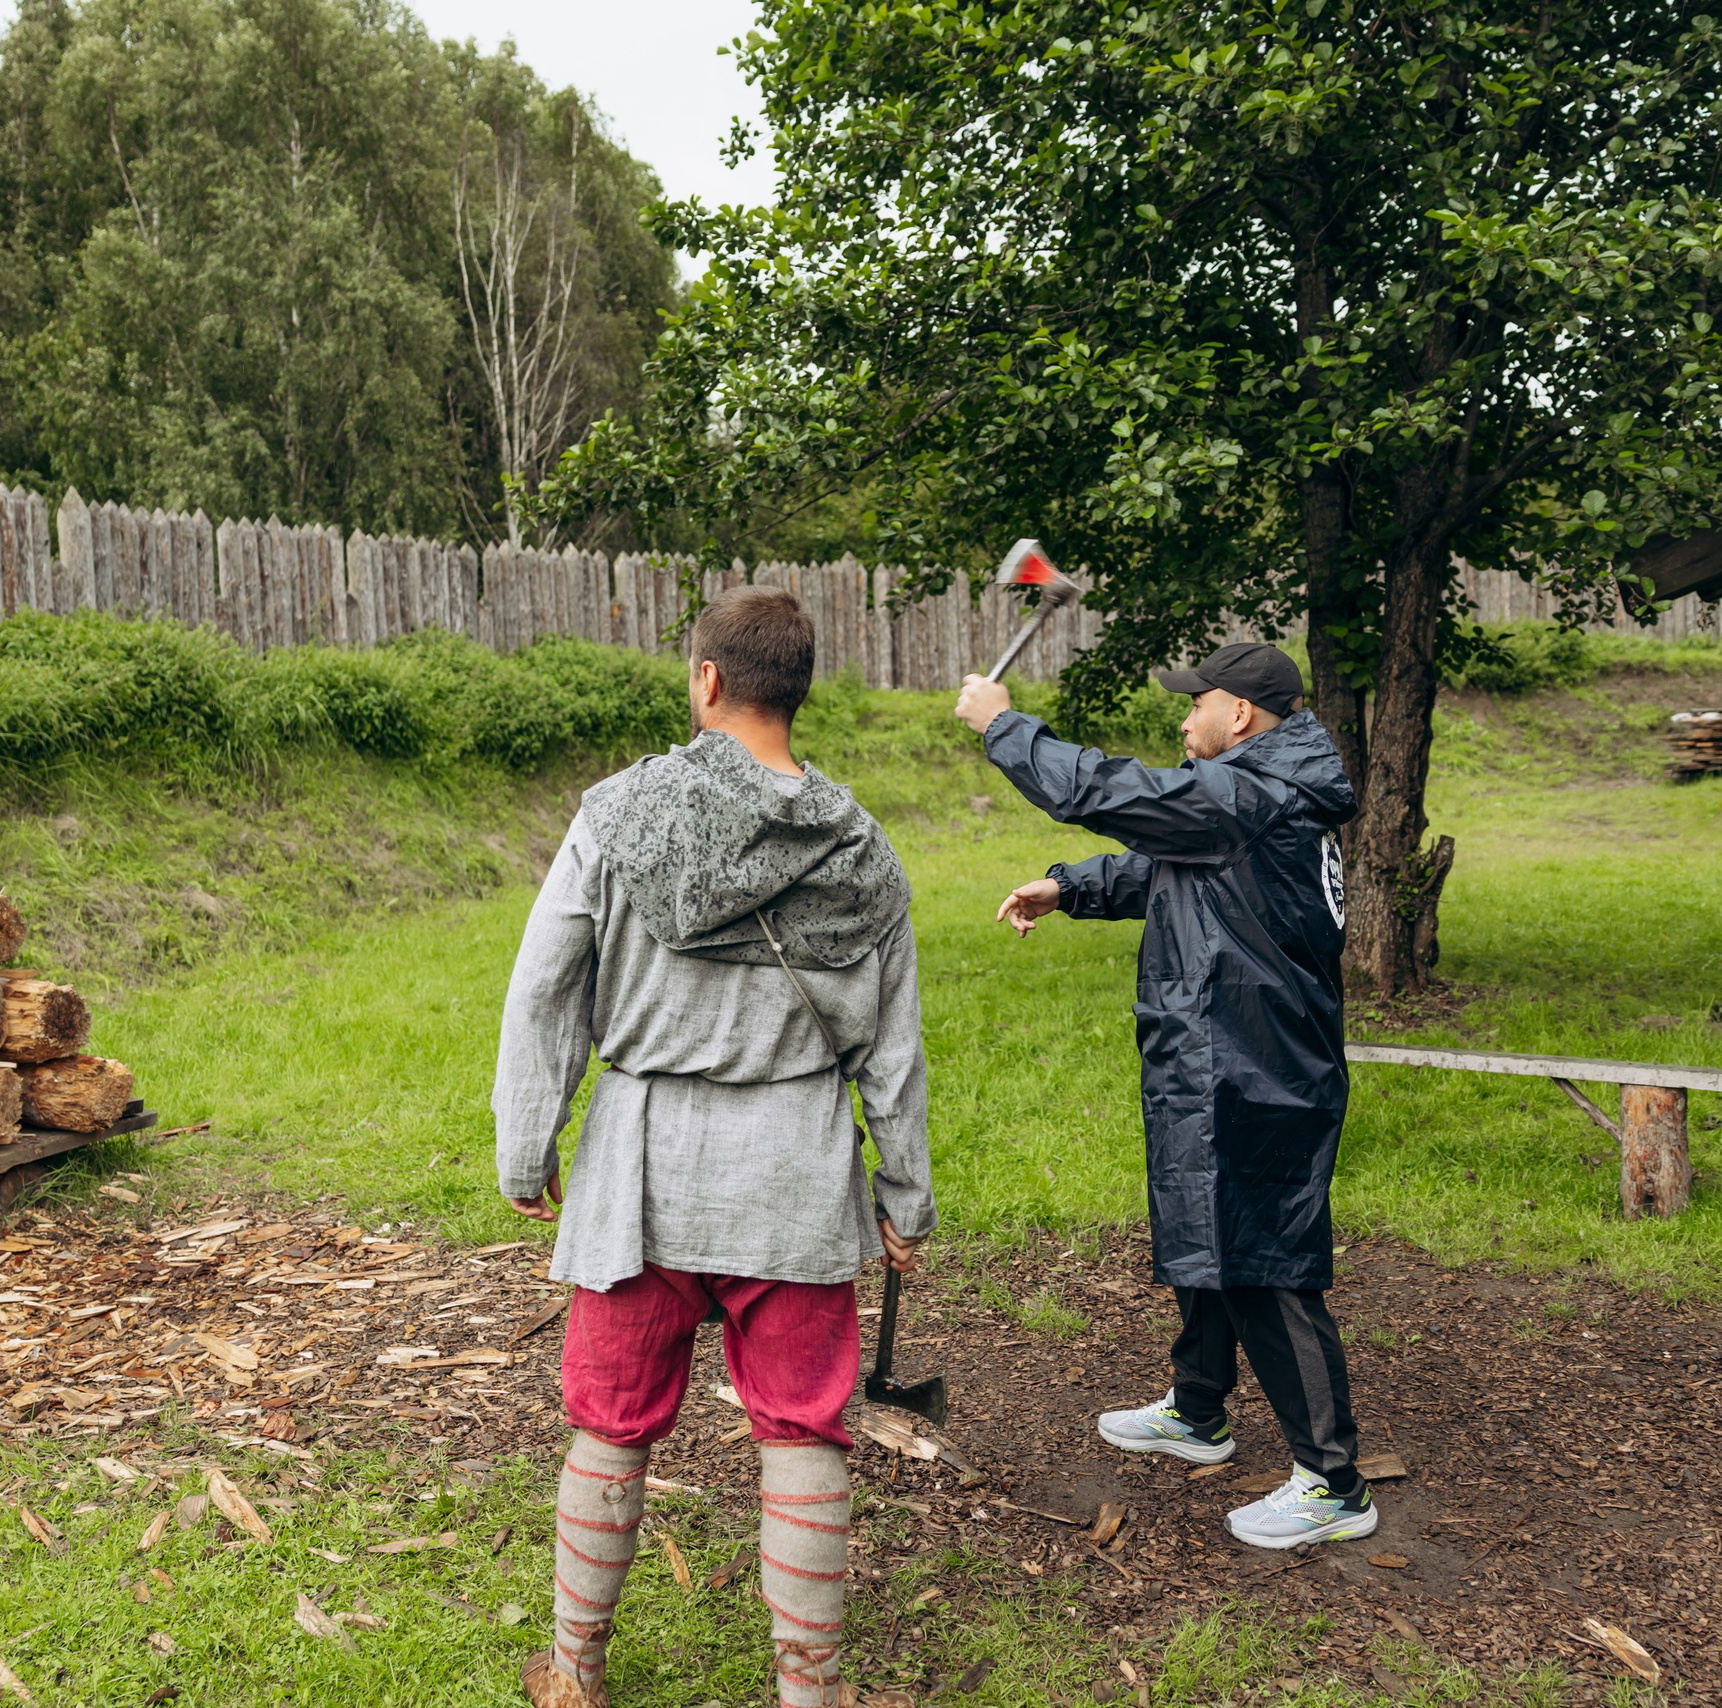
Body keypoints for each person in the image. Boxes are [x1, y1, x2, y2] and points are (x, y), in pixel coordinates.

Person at [495, 585, 933, 1708]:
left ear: (705, 681)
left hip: (641, 1168)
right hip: (793, 1168)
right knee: (801, 1427)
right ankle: (812, 1691)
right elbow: (889, 1044)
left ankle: (576, 1672)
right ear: (798, 687)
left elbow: (545, 989)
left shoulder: (616, 815)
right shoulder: (863, 848)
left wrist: (524, 1140)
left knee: (609, 1422)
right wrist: (903, 1193)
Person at [954, 640, 1374, 1552]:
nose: (1184, 720)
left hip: (1263, 1067)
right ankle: (1198, 1413)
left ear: (1243, 716)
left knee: (1265, 1260)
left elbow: (1120, 797)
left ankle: (1334, 1484)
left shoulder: (1260, 792)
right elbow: (1168, 865)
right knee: (1204, 1230)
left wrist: (1005, 727)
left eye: (1197, 705)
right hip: (1211, 1051)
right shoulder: (1249, 794)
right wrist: (1070, 887)